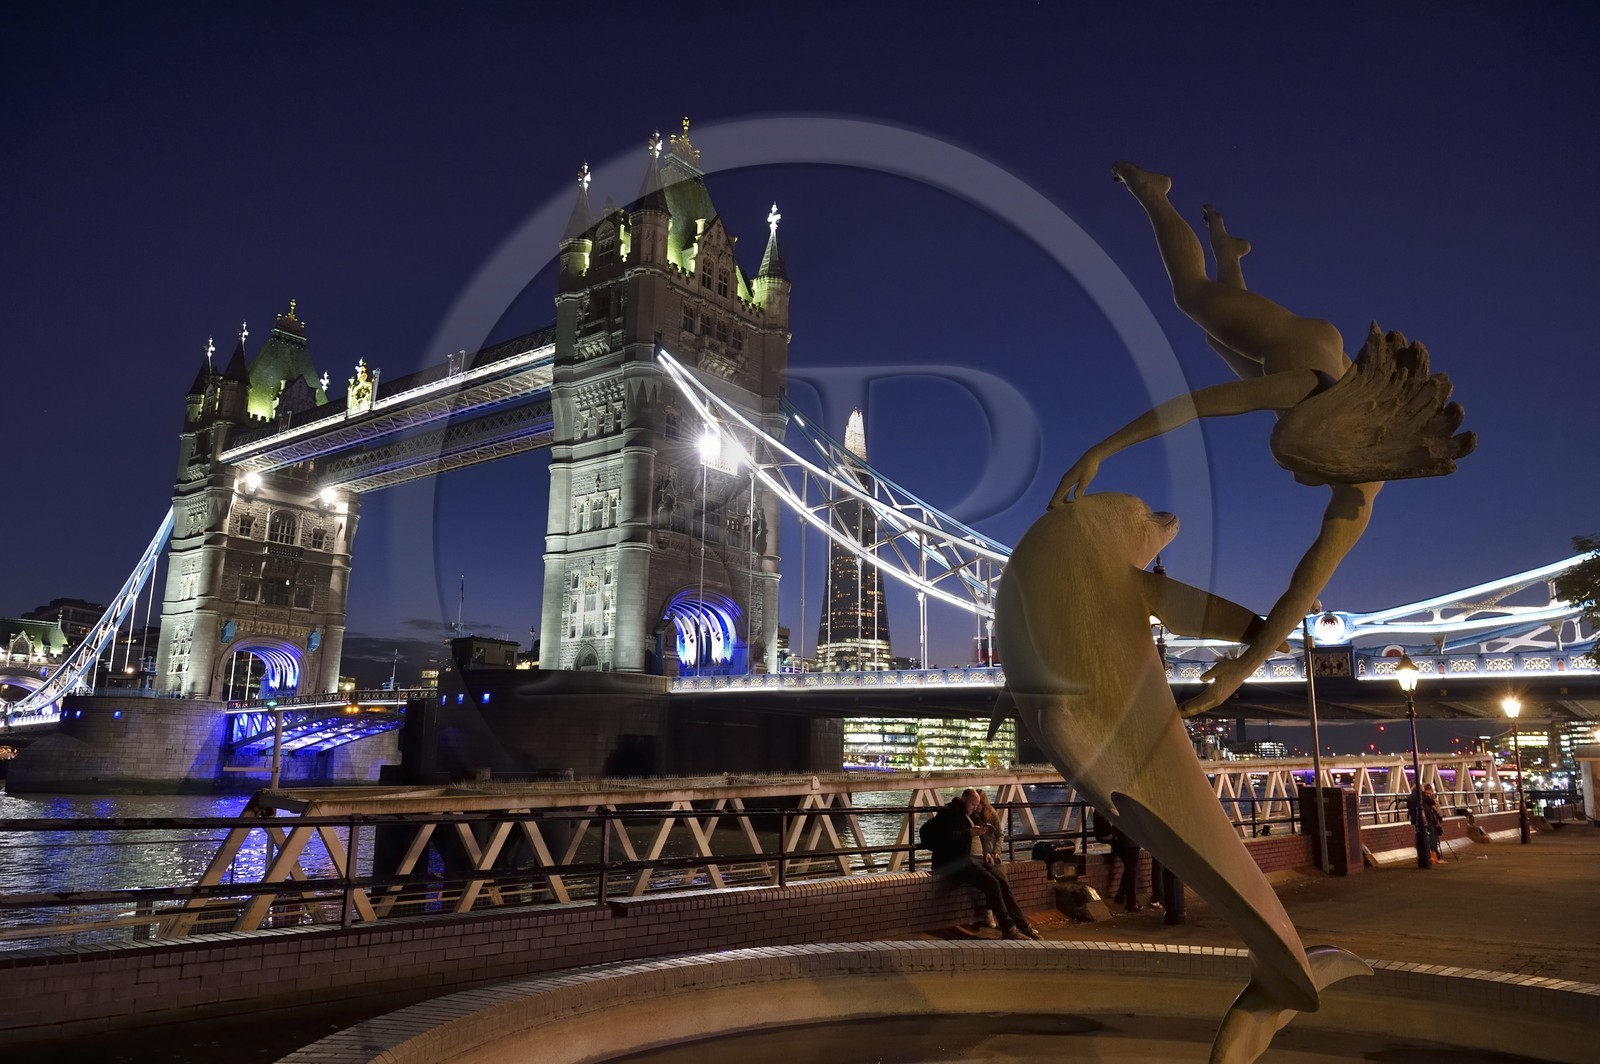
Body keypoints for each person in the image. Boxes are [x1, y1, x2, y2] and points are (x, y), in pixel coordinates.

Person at [1055, 162, 1473, 717]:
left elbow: (1302, 591)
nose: (1292, 472)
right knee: (1193, 296)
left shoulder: (1359, 495)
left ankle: (1230, 253)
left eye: (1297, 464)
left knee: (1217, 336)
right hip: (1298, 342)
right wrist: (1100, 451)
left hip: (1312, 367)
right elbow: (1195, 405)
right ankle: (1155, 192)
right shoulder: (1306, 384)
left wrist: (1239, 671)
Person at [922, 789, 1041, 939]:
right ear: (964, 799)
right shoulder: (949, 813)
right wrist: (970, 832)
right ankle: (1009, 929)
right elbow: (947, 837)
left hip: (975, 859)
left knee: (1002, 883)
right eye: (973, 803)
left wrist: (987, 853)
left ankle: (1023, 926)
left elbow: (980, 840)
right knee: (993, 884)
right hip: (957, 863)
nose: (975, 807)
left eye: (977, 804)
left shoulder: (970, 814)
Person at [1094, 809, 1144, 912]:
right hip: (1130, 839)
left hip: (1120, 838)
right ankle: (1130, 902)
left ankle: (1121, 897)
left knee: (1129, 869)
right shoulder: (1130, 808)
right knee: (1131, 871)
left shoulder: (1115, 807)